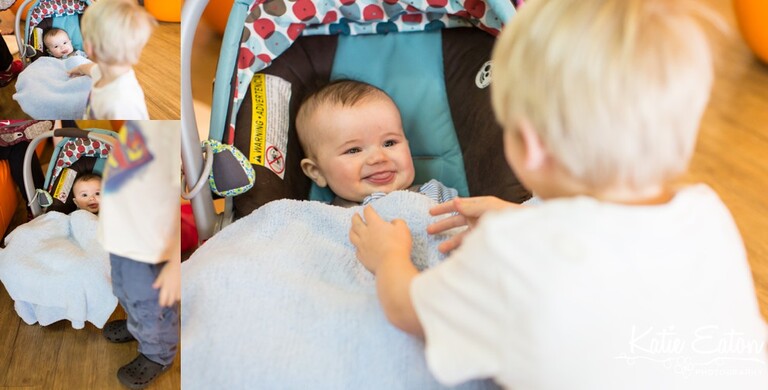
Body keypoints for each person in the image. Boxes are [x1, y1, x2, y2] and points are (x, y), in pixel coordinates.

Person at [349, 0, 768, 388]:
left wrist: (388, 255)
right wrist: (520, 220)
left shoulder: (509, 252)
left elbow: (408, 309)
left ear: (529, 145)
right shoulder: (707, 212)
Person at [98, 121, 180, 388]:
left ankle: (157, 354)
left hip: (149, 243)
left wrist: (173, 262)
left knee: (149, 303)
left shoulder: (166, 135)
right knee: (124, 290)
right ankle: (136, 327)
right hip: (122, 231)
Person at [296, 79, 456, 207]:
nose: (378, 158)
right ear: (317, 171)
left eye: (389, 143)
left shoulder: (436, 196)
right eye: (353, 150)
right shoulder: (319, 219)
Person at [67, 0, 156, 119]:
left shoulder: (122, 104)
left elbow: (133, 137)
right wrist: (79, 69)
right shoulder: (104, 72)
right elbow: (92, 69)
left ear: (89, 48)